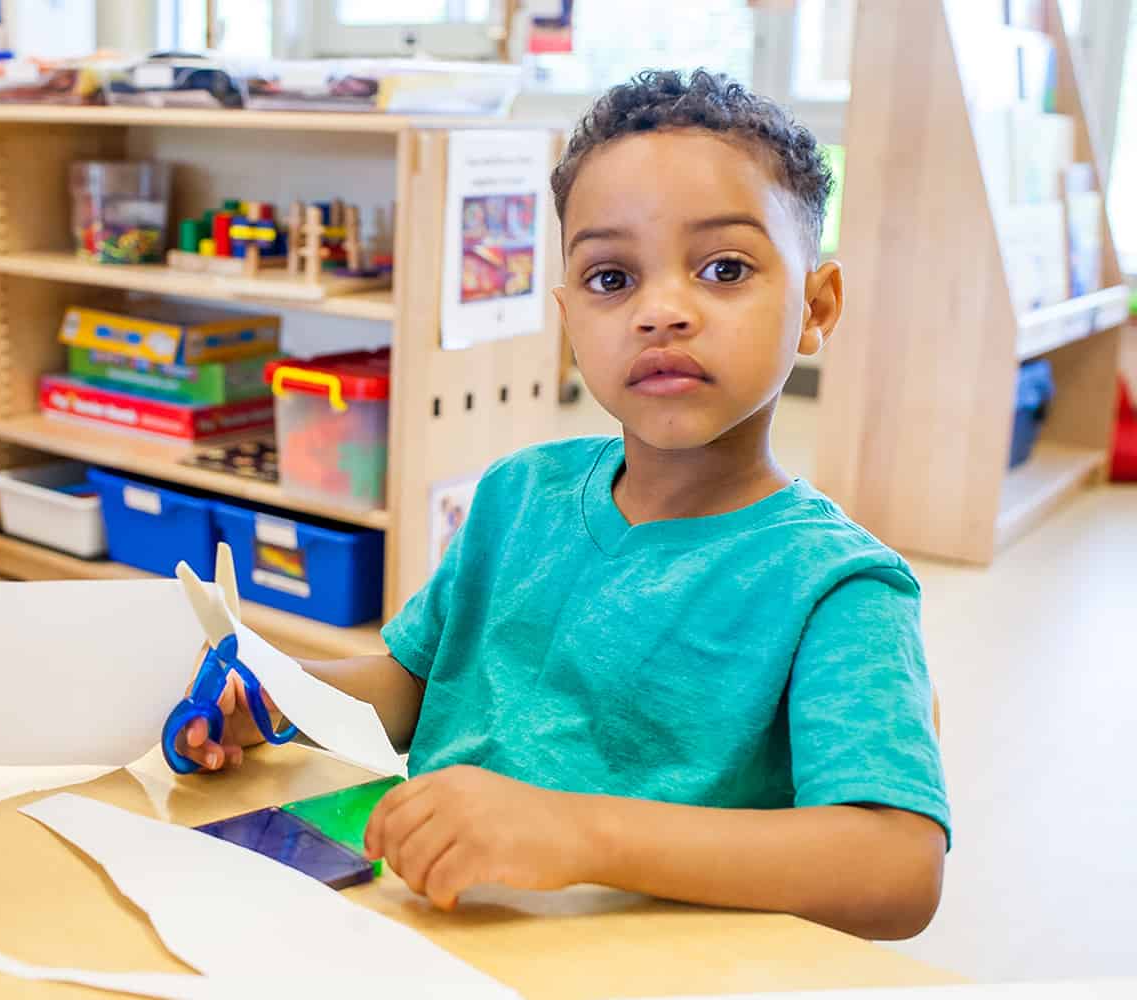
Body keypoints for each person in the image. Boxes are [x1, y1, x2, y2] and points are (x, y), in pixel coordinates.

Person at [175, 69, 948, 941]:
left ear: (816, 307)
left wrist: (573, 832)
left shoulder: (839, 588)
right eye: (612, 278)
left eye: (723, 268)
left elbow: (898, 867)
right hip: (429, 933)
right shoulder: (518, 494)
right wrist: (278, 694)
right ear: (569, 316)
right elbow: (414, 684)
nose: (661, 311)